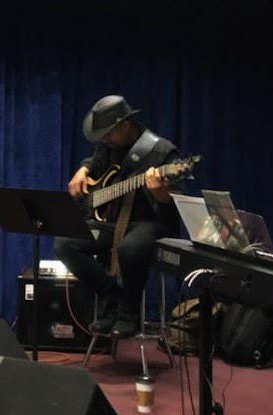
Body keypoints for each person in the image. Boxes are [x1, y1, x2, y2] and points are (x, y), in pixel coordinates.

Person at [53, 95, 181, 338]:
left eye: (108, 133)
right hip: (112, 224)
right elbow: (95, 159)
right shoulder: (109, 145)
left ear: (126, 125)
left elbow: (175, 205)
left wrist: (161, 193)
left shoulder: (162, 152)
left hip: (150, 224)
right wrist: (83, 169)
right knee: (65, 242)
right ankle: (112, 296)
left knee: (130, 248)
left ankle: (128, 314)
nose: (104, 139)